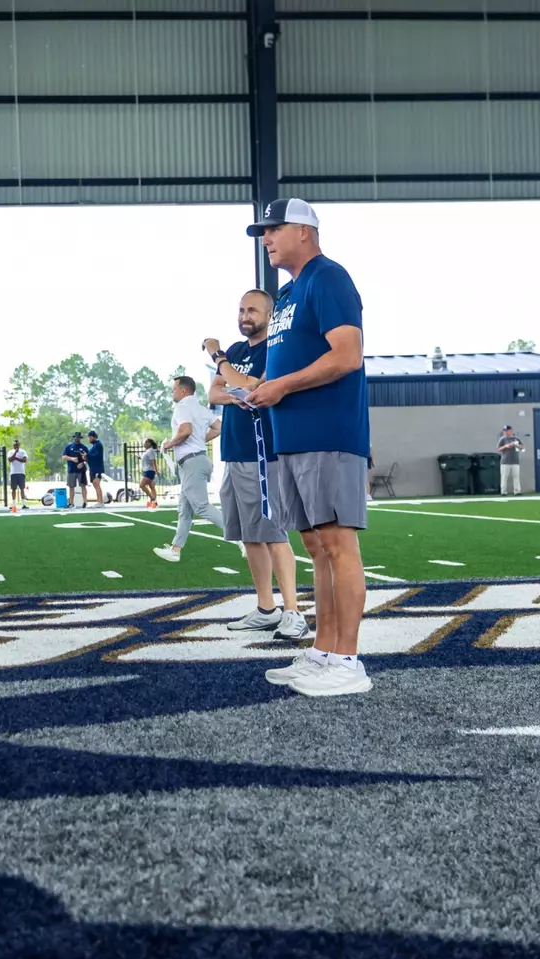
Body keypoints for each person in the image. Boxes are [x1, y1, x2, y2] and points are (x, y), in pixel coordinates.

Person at [246, 197, 371, 696]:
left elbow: (348, 356)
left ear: (304, 231)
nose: (266, 238)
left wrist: (281, 386)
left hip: (328, 434)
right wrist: (264, 388)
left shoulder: (328, 278)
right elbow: (292, 362)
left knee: (338, 545)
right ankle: (322, 651)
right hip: (293, 438)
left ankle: (348, 661)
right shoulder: (290, 293)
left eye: (273, 229)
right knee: (317, 549)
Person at [206, 289, 308, 641]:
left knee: (273, 533)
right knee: (249, 535)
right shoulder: (237, 351)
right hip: (234, 452)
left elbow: (251, 385)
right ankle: (267, 609)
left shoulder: (275, 348)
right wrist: (235, 388)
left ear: (269, 315)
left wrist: (219, 358)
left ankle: (293, 611)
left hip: (263, 454)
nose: (244, 316)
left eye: (252, 310)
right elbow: (215, 393)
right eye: (241, 310)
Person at [153, 376, 223, 562]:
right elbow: (218, 428)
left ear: (183, 391)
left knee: (201, 506)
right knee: (184, 510)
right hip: (198, 460)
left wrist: (169, 444)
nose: (172, 391)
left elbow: (186, 430)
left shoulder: (182, 407)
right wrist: (200, 441)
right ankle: (175, 550)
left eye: (174, 388)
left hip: (192, 462)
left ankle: (242, 538)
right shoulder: (201, 408)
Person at [62, 432, 89, 508]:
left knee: (83, 486)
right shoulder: (69, 446)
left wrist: (83, 462)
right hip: (72, 470)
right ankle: (71, 502)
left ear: (80, 438)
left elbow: (88, 458)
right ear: (74, 438)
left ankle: (85, 502)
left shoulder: (84, 447)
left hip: (81, 470)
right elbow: (64, 456)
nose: (77, 439)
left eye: (78, 437)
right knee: (71, 487)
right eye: (76, 437)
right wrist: (72, 459)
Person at [498, 426, 524, 494]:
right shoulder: (502, 439)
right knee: (504, 477)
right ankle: (503, 492)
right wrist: (505, 446)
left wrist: (516, 445)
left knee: (516, 477)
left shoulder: (516, 439)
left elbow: (522, 448)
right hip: (505, 462)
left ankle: (517, 491)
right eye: (505, 431)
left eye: (507, 431)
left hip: (515, 461)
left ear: (511, 431)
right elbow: (498, 449)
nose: (506, 432)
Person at [85, 430, 107, 506]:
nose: (88, 439)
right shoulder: (93, 446)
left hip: (97, 468)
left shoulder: (98, 445)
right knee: (95, 484)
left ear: (92, 437)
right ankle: (99, 501)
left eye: (89, 437)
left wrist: (88, 455)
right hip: (92, 468)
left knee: (97, 483)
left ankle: (100, 502)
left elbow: (97, 456)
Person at [8, 439, 30, 507]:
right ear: (13, 445)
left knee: (22, 488)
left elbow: (24, 460)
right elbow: (10, 459)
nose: (16, 446)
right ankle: (13, 504)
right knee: (13, 489)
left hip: (21, 472)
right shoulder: (10, 452)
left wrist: (16, 458)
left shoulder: (23, 452)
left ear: (19, 445)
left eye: (17, 445)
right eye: (15, 445)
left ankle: (23, 504)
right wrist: (15, 453)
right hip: (13, 473)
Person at [139, 438, 160, 507]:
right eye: (145, 442)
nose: (145, 443)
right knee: (152, 487)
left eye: (147, 442)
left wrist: (156, 470)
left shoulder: (150, 451)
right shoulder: (147, 451)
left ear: (150, 444)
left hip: (149, 471)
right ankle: (153, 502)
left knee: (142, 485)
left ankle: (152, 498)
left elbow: (153, 461)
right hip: (146, 470)